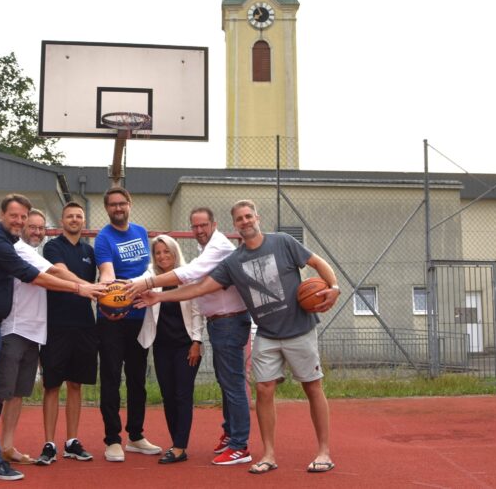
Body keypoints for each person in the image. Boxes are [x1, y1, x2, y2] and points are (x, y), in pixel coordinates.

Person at [136, 199, 341, 476]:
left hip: (299, 329)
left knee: (312, 387)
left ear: (257, 217)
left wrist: (334, 287)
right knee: (263, 391)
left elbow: (317, 262)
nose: (245, 222)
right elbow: (199, 287)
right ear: (235, 225)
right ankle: (268, 454)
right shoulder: (234, 261)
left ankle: (324, 452)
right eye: (240, 219)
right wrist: (159, 296)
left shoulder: (282, 242)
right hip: (267, 334)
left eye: (249, 216)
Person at [0, 194, 105, 481]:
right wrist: (84, 288)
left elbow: (47, 272)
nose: (26, 224)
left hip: (8, 327)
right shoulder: (7, 245)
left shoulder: (20, 248)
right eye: (19, 218)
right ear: (2, 215)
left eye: (30, 220)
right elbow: (39, 275)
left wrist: (87, 287)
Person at [126, 207, 251, 465]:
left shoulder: (213, 252)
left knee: (227, 386)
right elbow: (138, 282)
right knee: (186, 391)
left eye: (203, 225)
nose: (199, 230)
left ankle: (232, 444)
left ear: (214, 224)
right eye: (194, 226)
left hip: (218, 328)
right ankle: (223, 436)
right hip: (194, 333)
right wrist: (112, 289)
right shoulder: (164, 269)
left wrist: (196, 341)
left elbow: (194, 288)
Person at [0, 209, 82, 466]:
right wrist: (86, 287)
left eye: (40, 228)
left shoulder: (33, 252)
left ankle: (7, 446)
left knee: (19, 393)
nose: (35, 231)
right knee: (2, 393)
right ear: (22, 228)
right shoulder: (18, 249)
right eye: (31, 226)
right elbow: (54, 273)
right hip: (14, 329)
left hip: (34, 333)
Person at [94, 187, 162, 461]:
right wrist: (110, 297)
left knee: (137, 380)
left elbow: (147, 269)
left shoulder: (141, 232)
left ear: (130, 204)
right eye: (113, 205)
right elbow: (107, 272)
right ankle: (112, 440)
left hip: (139, 317)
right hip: (112, 319)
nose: (118, 208)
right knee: (111, 379)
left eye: (122, 203)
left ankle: (135, 435)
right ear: (107, 208)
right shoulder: (103, 238)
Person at [34, 202, 98, 465]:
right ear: (62, 221)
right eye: (70, 216)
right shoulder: (52, 246)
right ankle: (49, 443)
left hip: (84, 324)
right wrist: (89, 286)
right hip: (56, 324)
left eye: (79, 216)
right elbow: (60, 272)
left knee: (76, 384)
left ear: (83, 222)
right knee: (52, 385)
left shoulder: (90, 251)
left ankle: (71, 441)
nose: (74, 219)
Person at [136, 234, 204, 465]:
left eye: (167, 251)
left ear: (175, 253)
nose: (163, 256)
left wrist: (197, 342)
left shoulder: (187, 276)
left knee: (183, 395)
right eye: (158, 252)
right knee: (168, 395)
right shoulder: (150, 276)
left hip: (186, 345)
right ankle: (177, 443)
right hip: (161, 346)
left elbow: (197, 311)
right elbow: (138, 281)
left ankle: (179, 446)